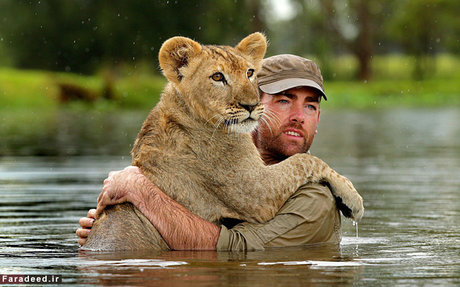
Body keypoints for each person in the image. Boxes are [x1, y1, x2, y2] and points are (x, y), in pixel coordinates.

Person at [77, 54, 345, 251]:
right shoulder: (221, 174)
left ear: (318, 119)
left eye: (310, 106)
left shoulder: (316, 198)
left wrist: (140, 191)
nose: (299, 117)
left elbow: (235, 251)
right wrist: (109, 225)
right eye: (284, 101)